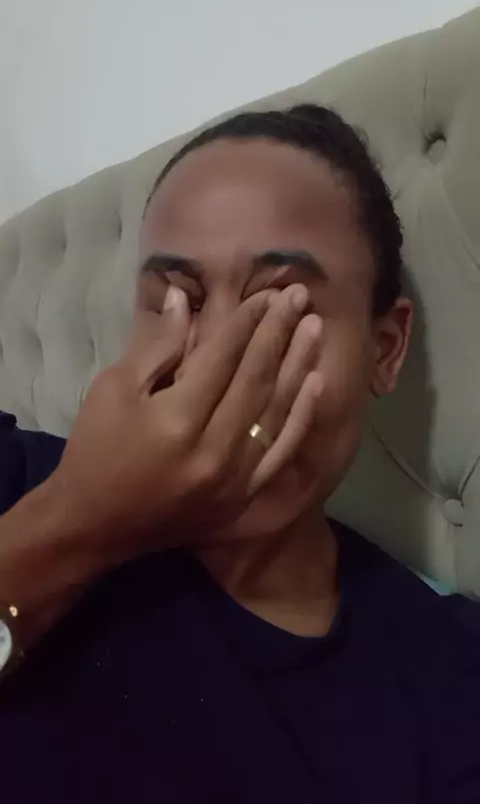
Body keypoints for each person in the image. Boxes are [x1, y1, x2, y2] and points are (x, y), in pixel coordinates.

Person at [0, 105, 479, 804]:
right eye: (178, 302)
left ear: (385, 349)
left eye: (282, 307)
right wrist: (77, 521)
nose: (215, 366)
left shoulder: (451, 682)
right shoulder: (15, 474)